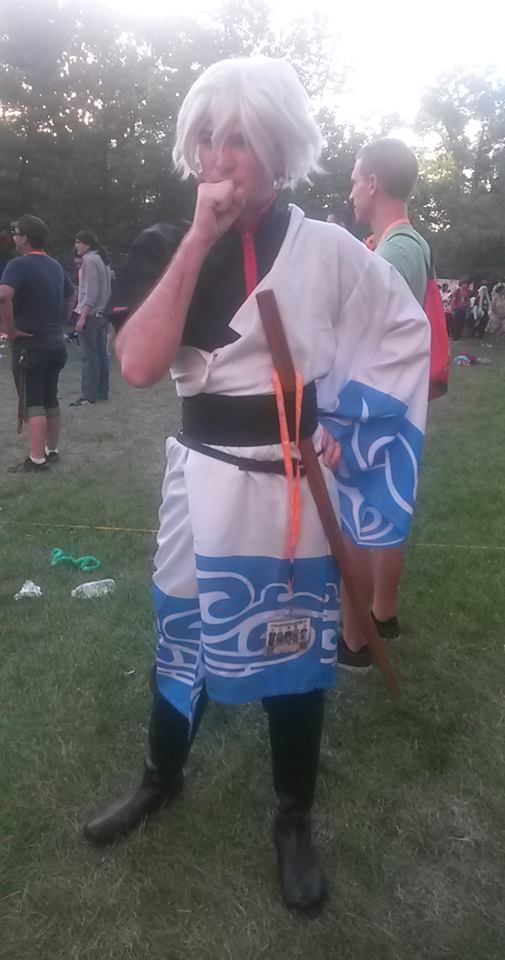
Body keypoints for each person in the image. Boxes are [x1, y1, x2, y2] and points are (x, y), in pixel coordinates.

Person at [81, 58, 430, 913]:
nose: (218, 155)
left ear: (278, 148)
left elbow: (399, 330)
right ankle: (162, 776)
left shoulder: (330, 250)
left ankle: (293, 819)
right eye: (207, 136)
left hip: (290, 491)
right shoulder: (165, 246)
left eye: (239, 138)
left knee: (296, 656)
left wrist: (347, 423)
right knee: (182, 640)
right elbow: (138, 365)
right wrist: (199, 239)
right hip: (201, 481)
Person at [343, 137, 431, 672]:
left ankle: (354, 642)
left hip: (372, 402)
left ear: (374, 183)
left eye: (356, 180)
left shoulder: (395, 252)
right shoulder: (407, 245)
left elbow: (364, 330)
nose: (352, 191)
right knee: (380, 511)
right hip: (390, 399)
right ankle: (382, 615)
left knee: (355, 520)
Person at [0, 215, 75, 472]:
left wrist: (10, 331)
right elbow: (71, 297)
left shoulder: (18, 265)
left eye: (16, 233)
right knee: (50, 397)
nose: (13, 237)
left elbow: (3, 296)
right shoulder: (55, 265)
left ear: (25, 238)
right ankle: (51, 450)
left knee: (34, 401)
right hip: (56, 345)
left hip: (30, 347)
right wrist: (59, 323)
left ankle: (36, 460)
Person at [71, 230, 112, 406]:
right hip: (102, 314)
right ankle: (102, 391)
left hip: (91, 314)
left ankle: (88, 395)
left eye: (78, 242)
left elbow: (90, 292)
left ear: (87, 244)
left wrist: (82, 317)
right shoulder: (102, 259)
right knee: (101, 354)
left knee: (89, 356)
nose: (76, 246)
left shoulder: (89, 261)